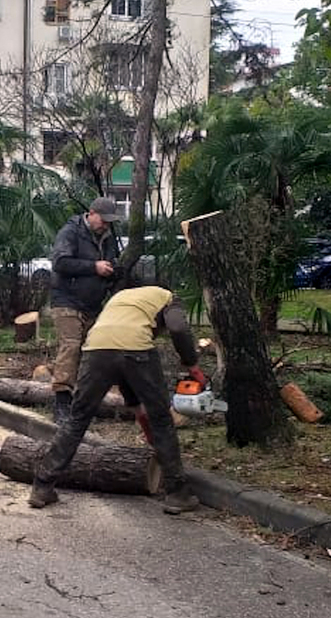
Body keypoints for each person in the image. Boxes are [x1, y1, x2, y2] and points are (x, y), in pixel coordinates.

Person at [28, 286, 207, 515]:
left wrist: (142, 419)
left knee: (76, 420)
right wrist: (192, 364)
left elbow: (122, 369)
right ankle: (177, 494)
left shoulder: (121, 299)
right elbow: (178, 327)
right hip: (137, 350)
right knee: (162, 419)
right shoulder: (168, 297)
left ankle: (42, 486)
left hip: (96, 350)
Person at [48, 196, 122, 424]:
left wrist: (113, 270)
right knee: (70, 347)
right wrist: (94, 267)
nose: (106, 225)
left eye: (110, 222)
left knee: (93, 351)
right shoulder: (70, 232)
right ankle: (61, 403)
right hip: (67, 300)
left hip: (93, 304)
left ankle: (83, 401)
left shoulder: (108, 238)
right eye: (103, 220)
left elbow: (112, 261)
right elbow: (60, 263)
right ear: (91, 214)